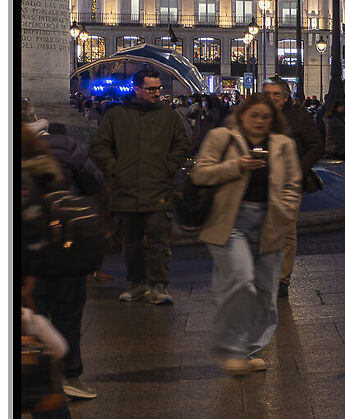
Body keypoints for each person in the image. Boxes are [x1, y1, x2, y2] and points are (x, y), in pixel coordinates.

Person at [192, 93, 302, 378]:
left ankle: (249, 349)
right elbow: (199, 174)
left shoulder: (283, 145)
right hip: (231, 221)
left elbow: (292, 184)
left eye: (266, 117)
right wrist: (236, 166)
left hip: (269, 222)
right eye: (254, 115)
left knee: (266, 292)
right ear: (242, 115)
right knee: (240, 280)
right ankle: (230, 349)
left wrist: (286, 212)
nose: (259, 122)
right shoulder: (221, 138)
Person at [90, 71, 190, 306]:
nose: (156, 93)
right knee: (131, 243)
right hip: (126, 190)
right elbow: (99, 146)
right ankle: (137, 283)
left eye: (158, 89)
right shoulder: (117, 116)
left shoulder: (169, 116)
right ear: (136, 89)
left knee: (159, 240)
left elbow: (182, 144)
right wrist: (116, 168)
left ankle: (158, 285)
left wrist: (169, 166)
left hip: (158, 188)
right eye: (151, 89)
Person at [20, 121, 103, 402]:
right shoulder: (63, 146)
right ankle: (70, 377)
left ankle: (45, 395)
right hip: (66, 243)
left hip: (30, 258)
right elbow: (94, 182)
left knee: (33, 321)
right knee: (68, 315)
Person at [261, 79, 324, 299]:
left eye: (276, 94)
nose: (271, 98)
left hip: (288, 181)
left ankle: (282, 279)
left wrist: (299, 168)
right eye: (267, 94)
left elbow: (316, 145)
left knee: (286, 231)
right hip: (259, 180)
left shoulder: (299, 117)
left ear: (286, 96)